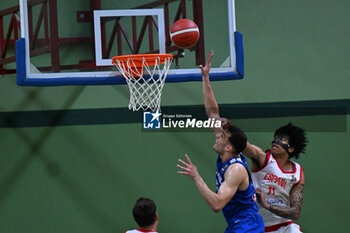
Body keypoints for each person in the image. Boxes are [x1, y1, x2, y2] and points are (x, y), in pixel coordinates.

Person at [194, 51, 308, 233]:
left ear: (291, 148)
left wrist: (267, 205)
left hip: (280, 227)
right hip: (254, 223)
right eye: (275, 137)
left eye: (282, 140)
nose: (275, 141)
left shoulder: (297, 174)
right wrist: (206, 80)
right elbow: (225, 127)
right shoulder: (262, 158)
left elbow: (295, 213)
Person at [177, 51, 264, 233]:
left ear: (229, 147)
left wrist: (196, 177)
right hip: (236, 223)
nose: (217, 135)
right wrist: (206, 78)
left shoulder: (236, 170)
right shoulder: (228, 151)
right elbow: (212, 114)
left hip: (248, 225)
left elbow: (217, 205)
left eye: (221, 136)